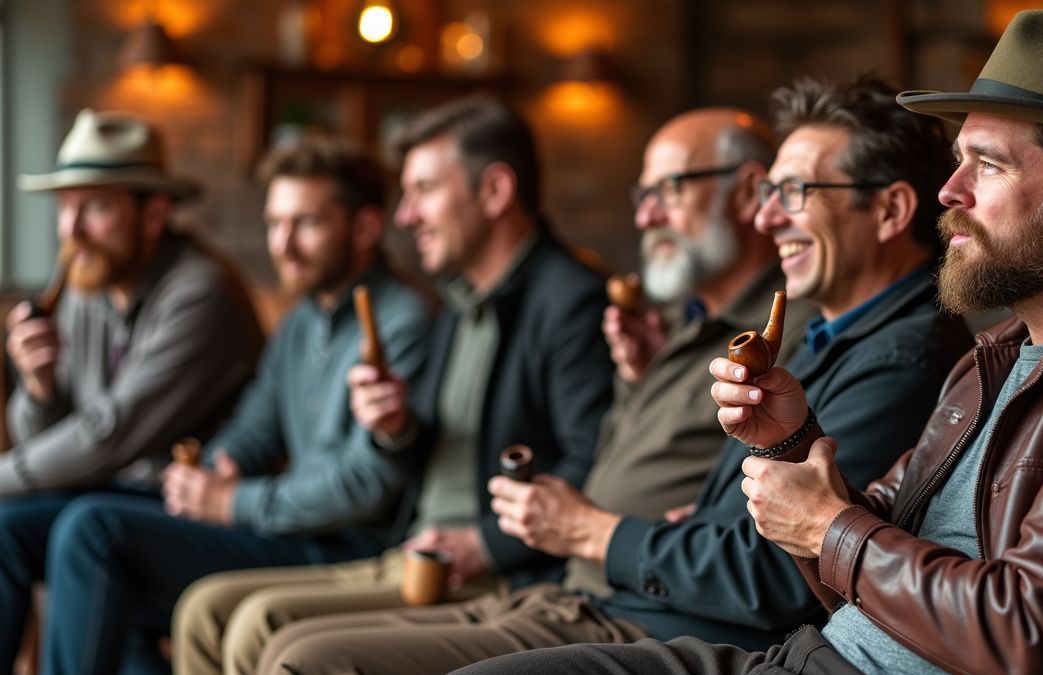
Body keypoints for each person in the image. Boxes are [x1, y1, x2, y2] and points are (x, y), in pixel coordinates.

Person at [461, 9, 1043, 674]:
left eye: (990, 164)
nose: (951, 191)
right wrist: (789, 444)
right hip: (810, 653)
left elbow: (1029, 631)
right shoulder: (997, 352)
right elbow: (859, 535)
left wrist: (828, 524)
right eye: (959, 159)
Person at [256, 82, 976, 674]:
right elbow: (744, 513)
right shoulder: (826, 331)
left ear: (889, 210)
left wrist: (598, 529)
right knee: (281, 640)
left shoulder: (894, 354)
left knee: (305, 655)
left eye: (792, 191)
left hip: (652, 613)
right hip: (611, 593)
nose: (767, 216)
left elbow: (775, 569)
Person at [169, 97, 616, 675]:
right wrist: (395, 427)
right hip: (413, 549)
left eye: (424, 189)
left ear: (496, 192)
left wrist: (485, 542)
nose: (405, 217)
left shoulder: (571, 300)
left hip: (497, 574)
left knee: (260, 625)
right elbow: (424, 449)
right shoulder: (460, 297)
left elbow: (598, 462)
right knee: (206, 609)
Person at [35, 136, 432, 674]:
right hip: (281, 526)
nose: (282, 245)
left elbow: (367, 486)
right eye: (275, 223)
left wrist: (234, 502)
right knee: (104, 574)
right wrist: (217, 466)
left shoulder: (405, 320)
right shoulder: (301, 319)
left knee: (95, 530)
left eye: (305, 224)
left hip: (348, 548)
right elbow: (255, 427)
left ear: (364, 229)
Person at [0, 109, 264, 671]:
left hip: (190, 508)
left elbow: (105, 437)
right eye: (66, 209)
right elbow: (52, 438)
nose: (72, 232)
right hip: (111, 495)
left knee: (81, 527)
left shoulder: (200, 292)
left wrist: (2, 476)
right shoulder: (86, 284)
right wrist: (40, 388)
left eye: (95, 207)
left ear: (155, 213)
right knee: (5, 528)